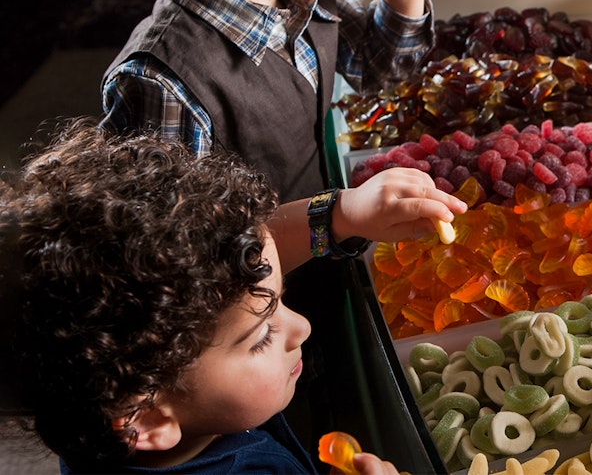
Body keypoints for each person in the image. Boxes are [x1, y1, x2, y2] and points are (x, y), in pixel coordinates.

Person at [98, 0, 467, 453]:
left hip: (316, 289)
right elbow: (187, 270)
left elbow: (381, 69)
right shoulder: (162, 80)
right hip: (236, 357)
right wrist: (342, 213)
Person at [0, 121, 406, 474]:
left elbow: (245, 277)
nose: (302, 326)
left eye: (279, 301)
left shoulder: (91, 399)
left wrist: (338, 215)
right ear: (147, 417)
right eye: (261, 335)